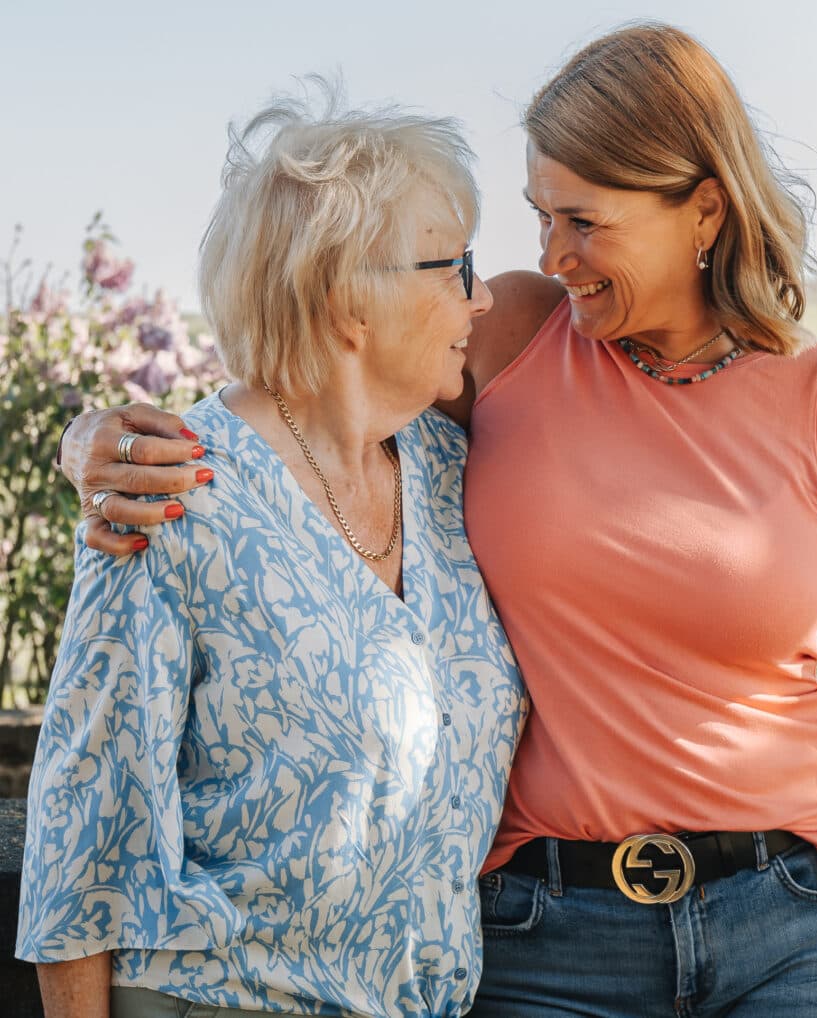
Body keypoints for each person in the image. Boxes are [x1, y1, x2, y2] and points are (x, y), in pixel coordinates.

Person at [54, 23, 817, 1018]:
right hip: (546, 936)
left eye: (583, 221)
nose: (551, 256)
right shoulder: (519, 334)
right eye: (540, 218)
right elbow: (311, 361)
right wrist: (94, 437)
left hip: (802, 928)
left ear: (703, 210)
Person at [16, 87, 527, 1018]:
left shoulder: (454, 471)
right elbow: (83, 836)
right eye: (453, 266)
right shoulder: (176, 492)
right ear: (347, 300)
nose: (483, 295)